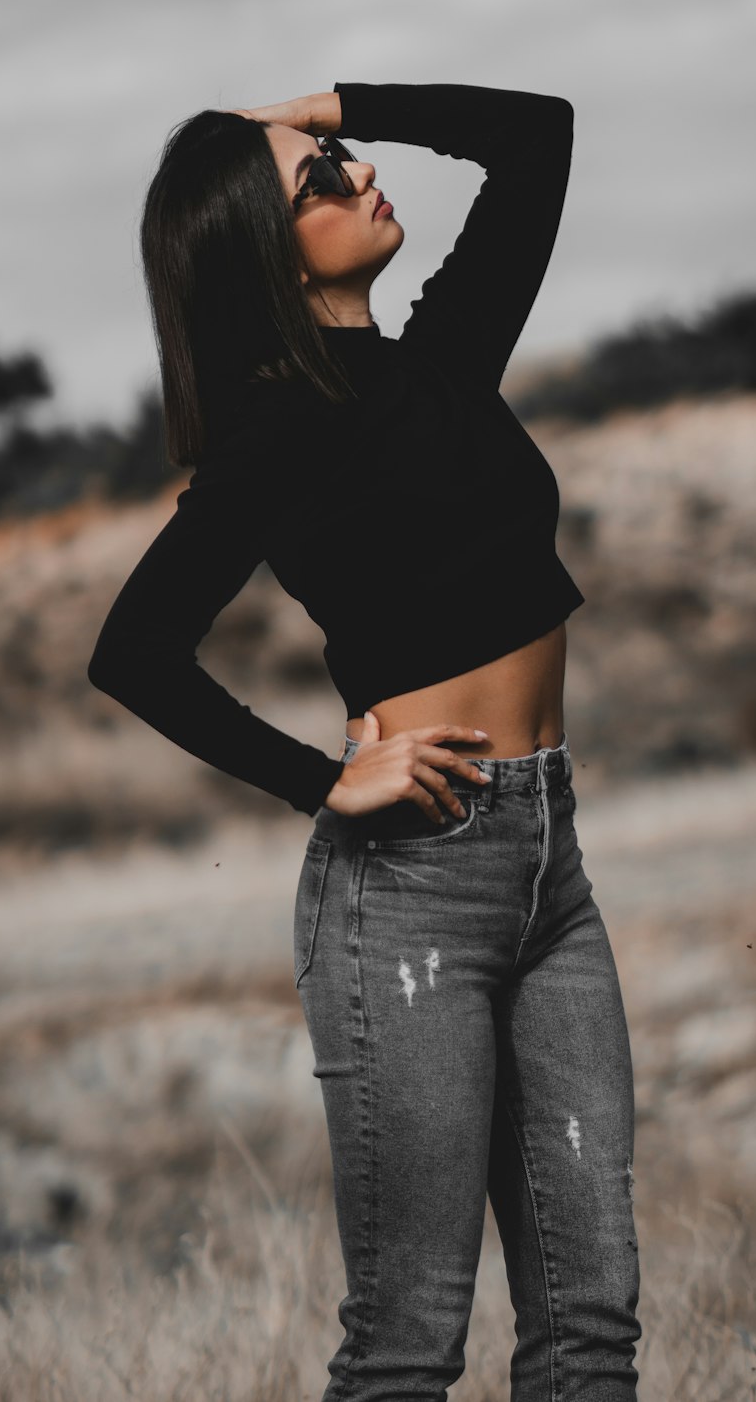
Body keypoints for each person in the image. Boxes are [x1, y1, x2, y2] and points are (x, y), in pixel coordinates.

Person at [87, 79, 642, 1401]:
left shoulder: (441, 357)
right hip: (412, 890)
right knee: (408, 1343)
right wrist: (328, 780)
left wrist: (335, 101)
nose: (352, 175)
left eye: (342, 159)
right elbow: (135, 652)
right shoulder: (277, 425)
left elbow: (539, 134)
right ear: (262, 255)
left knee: (590, 1326)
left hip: (550, 866)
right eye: (314, 183)